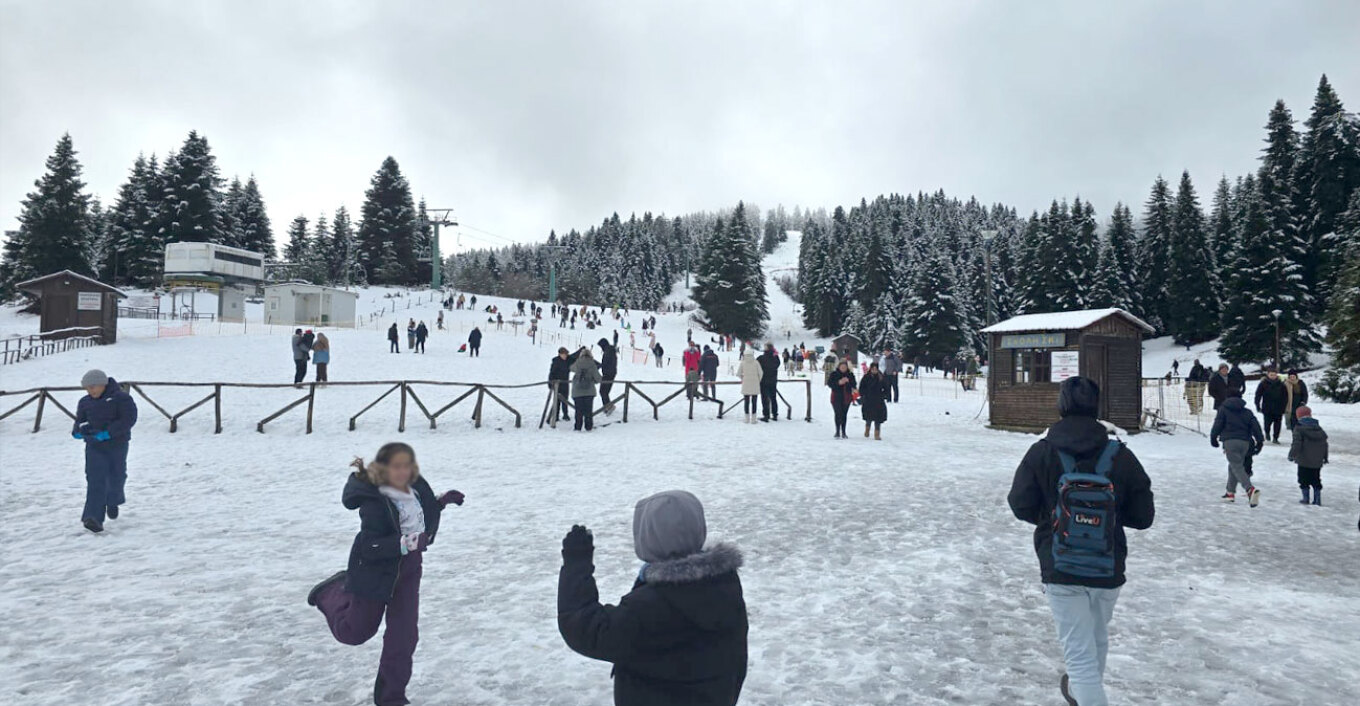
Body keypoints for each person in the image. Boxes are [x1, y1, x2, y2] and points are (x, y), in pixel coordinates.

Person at [1007, 377, 1155, 706]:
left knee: (1079, 656)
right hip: (1107, 564)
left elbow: (1019, 503)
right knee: (1096, 639)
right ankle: (1078, 691)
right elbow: (1144, 516)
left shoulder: (1042, 451)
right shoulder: (1120, 456)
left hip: (1060, 566)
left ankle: (1082, 692)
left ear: (1061, 405)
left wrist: (1054, 521)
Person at [557, 491, 747, 705]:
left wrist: (576, 564)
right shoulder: (725, 585)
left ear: (647, 539)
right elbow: (736, 663)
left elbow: (585, 627)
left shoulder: (648, 607)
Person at [308, 443, 463, 706]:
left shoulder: (416, 489)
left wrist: (440, 501)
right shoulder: (375, 502)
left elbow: (423, 515)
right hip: (374, 570)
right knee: (355, 632)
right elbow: (369, 547)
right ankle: (331, 592)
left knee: (404, 637)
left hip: (409, 570)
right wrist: (406, 543)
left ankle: (392, 698)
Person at [71, 369, 139, 533]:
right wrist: (78, 431)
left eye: (93, 387)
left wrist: (109, 432)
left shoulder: (121, 398)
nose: (91, 391)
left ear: (103, 384)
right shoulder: (85, 402)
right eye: (87, 388)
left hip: (117, 444)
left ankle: (113, 500)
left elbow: (128, 419)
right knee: (95, 479)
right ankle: (93, 518)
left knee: (117, 476)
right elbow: (80, 420)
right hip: (94, 446)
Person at [1210, 393, 1264, 506]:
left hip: (1230, 441)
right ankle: (1230, 493)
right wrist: (1259, 441)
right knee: (1234, 465)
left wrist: (1213, 437)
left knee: (1236, 466)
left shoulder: (1223, 410)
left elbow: (1218, 424)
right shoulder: (1247, 412)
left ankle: (1249, 489)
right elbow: (1256, 426)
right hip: (1245, 442)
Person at [1288, 406, 1328, 506]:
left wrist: (1292, 455)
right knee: (1316, 479)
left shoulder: (1299, 428)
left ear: (1298, 416)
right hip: (1317, 461)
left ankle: (1306, 498)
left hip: (1303, 460)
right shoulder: (1318, 428)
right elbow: (1325, 444)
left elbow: (1297, 443)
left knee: (1303, 479)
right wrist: (1325, 457)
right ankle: (1317, 499)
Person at [570, 349, 602, 431]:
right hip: (589, 391)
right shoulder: (592, 364)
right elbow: (598, 378)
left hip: (577, 391)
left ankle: (578, 427)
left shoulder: (577, 362)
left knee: (578, 411)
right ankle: (588, 427)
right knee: (588, 410)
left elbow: (571, 368)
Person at [1254, 368, 1288, 443]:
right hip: (1267, 407)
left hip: (1278, 407)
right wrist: (1257, 405)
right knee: (1267, 423)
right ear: (1268, 375)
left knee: (1278, 424)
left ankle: (1275, 438)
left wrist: (1284, 406)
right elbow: (1258, 395)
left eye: (1274, 375)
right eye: (1271, 375)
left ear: (1277, 375)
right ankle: (1267, 433)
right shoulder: (1263, 383)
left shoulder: (1281, 384)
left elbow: (1285, 396)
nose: (1273, 376)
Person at [549, 347, 580, 423]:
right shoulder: (556, 361)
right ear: (559, 354)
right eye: (563, 354)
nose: (565, 356)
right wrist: (550, 383)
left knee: (565, 400)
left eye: (566, 354)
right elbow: (552, 373)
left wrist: (581, 351)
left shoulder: (569, 359)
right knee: (557, 400)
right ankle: (556, 416)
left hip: (565, 383)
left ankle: (565, 415)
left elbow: (576, 358)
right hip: (557, 384)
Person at [859, 362, 889, 439]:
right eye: (873, 369)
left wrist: (884, 395)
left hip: (879, 400)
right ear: (870, 369)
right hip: (868, 400)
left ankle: (877, 434)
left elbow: (886, 388)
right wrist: (864, 395)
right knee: (868, 417)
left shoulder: (881, 377)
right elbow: (861, 388)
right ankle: (867, 429)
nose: (874, 370)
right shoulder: (866, 377)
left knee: (878, 418)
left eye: (876, 369)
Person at [827, 360, 856, 439]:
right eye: (842, 367)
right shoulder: (834, 374)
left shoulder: (850, 375)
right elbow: (830, 384)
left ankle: (843, 431)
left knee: (844, 414)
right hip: (836, 397)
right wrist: (838, 383)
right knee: (837, 413)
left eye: (845, 367)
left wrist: (848, 382)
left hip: (847, 397)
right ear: (839, 367)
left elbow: (854, 385)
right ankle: (837, 431)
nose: (843, 368)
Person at [757, 343, 781, 422]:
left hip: (763, 380)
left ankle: (766, 415)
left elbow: (757, 366)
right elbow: (777, 365)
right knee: (773, 397)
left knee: (764, 398)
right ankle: (775, 414)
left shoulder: (762, 358)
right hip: (773, 380)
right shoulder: (776, 357)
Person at [737, 350, 762, 424]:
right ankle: (753, 419)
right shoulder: (756, 363)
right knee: (754, 402)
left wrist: (743, 378)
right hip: (755, 384)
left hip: (746, 384)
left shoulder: (743, 363)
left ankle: (747, 419)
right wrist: (758, 380)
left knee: (746, 402)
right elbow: (761, 373)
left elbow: (738, 373)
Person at [597, 337, 619, 411]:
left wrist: (599, 365)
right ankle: (608, 406)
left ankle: (608, 407)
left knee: (603, 391)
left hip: (608, 374)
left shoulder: (608, 351)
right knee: (604, 391)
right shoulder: (610, 350)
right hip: (609, 373)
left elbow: (606, 363)